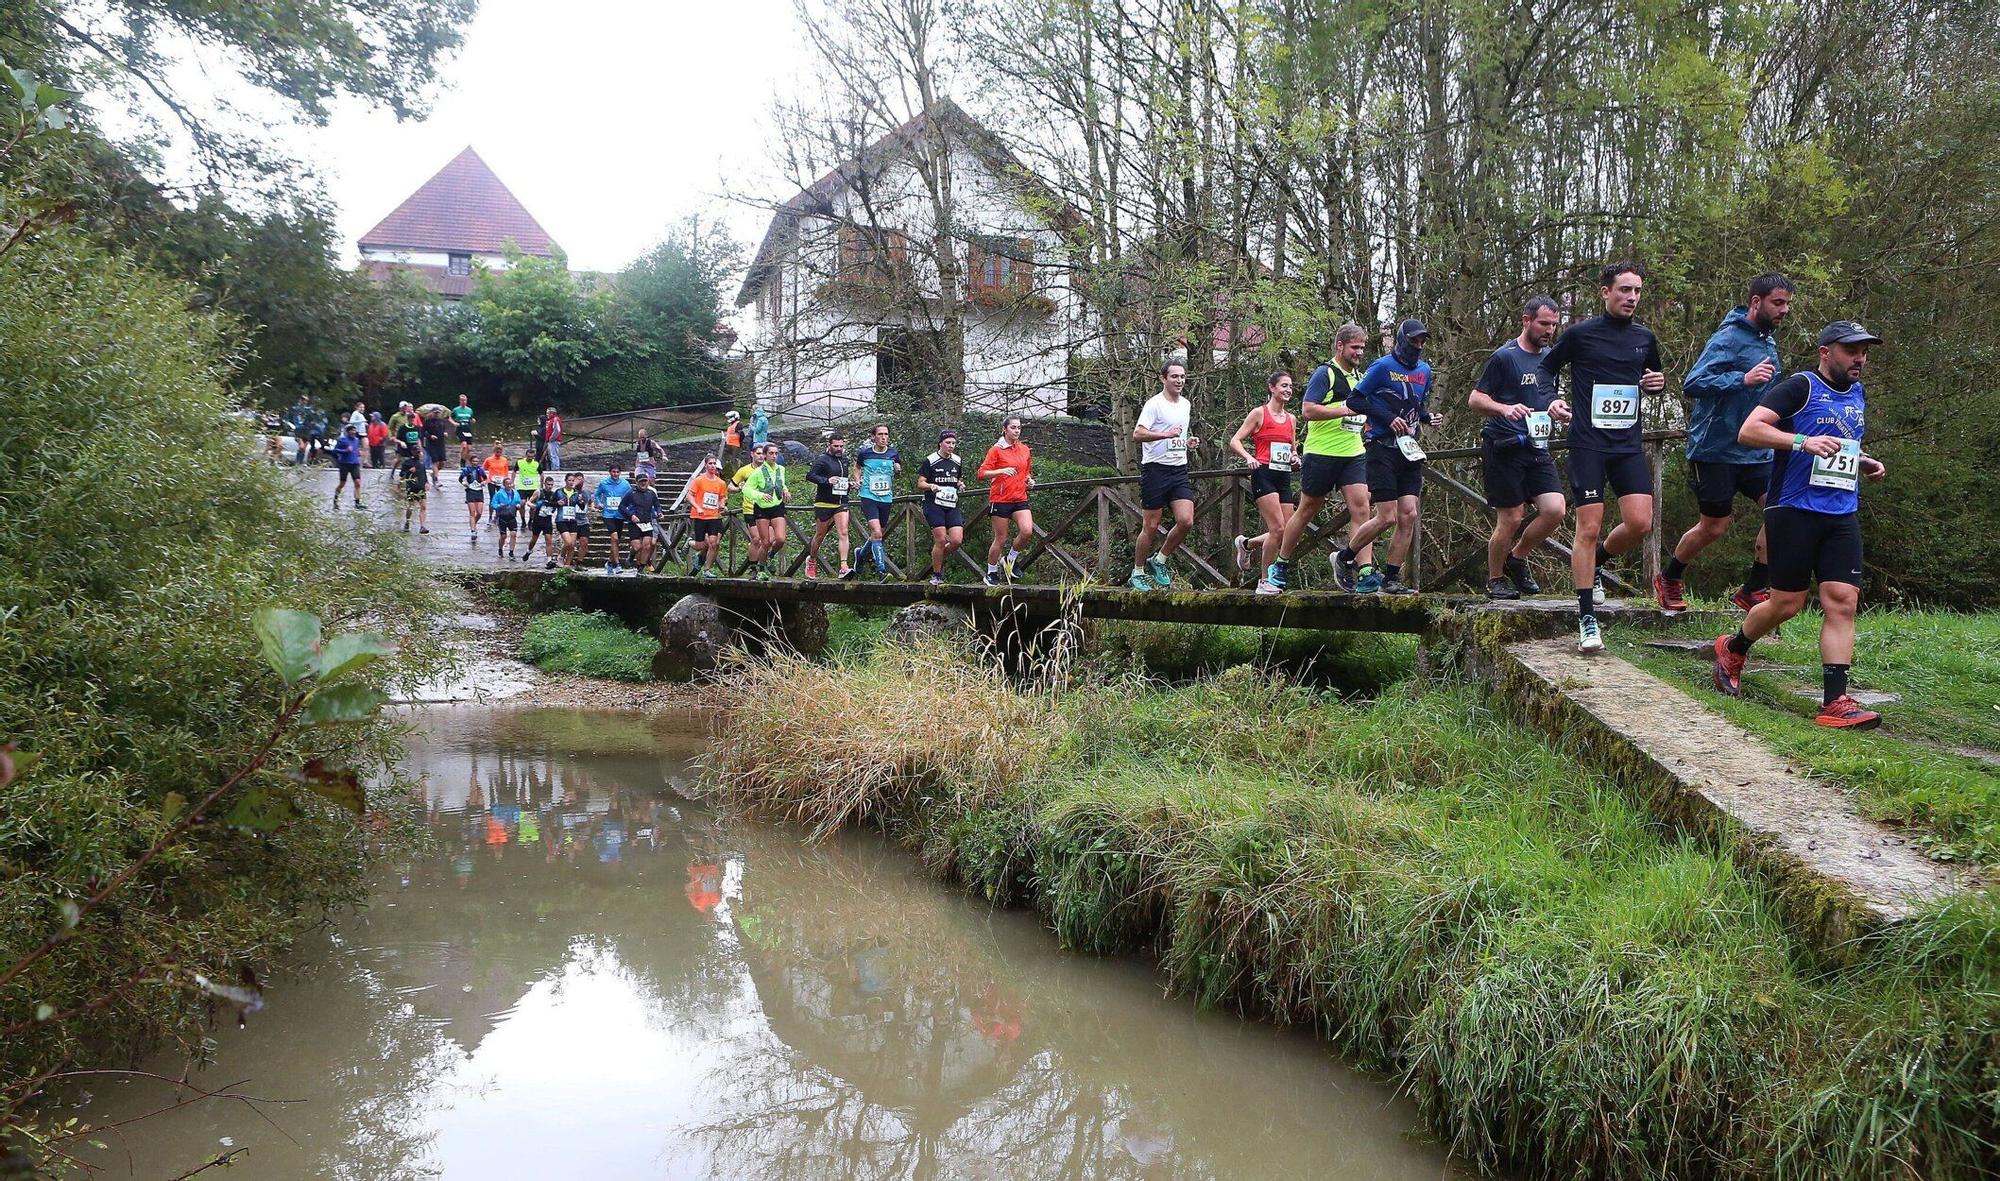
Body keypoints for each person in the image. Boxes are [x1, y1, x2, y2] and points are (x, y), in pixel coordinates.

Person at [1711, 321, 1886, 730]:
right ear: (1826, 351)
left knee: (1843, 599)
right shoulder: (1799, 387)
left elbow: (1839, 446)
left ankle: (1834, 701)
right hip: (1793, 509)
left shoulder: (1857, 394)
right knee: (1786, 604)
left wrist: (1862, 462)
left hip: (1841, 512)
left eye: (1864, 351)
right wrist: (1799, 442)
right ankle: (1734, 647)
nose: (1859, 357)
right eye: (1850, 349)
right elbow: (1749, 430)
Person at [1538, 261, 1665, 653]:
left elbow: (1653, 379)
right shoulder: (1580, 334)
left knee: (1640, 523)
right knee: (1588, 528)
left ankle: (1597, 566)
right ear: (1605, 292)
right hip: (1587, 443)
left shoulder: (1645, 337)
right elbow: (1546, 371)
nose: (1631, 298)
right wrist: (1553, 400)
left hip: (1627, 443)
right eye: (1625, 290)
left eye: (1637, 291)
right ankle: (1587, 618)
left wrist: (1656, 385)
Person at [1659, 273, 1794, 613]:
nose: (1785, 310)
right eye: (1778, 303)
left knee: (1783, 512)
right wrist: (1742, 379)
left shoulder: (1767, 341)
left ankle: (1753, 588)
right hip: (1715, 449)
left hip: (1757, 449)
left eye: (1788, 304)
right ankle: (1670, 576)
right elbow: (1694, 382)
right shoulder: (1729, 338)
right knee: (1715, 526)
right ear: (1756, 302)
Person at [1261, 324, 1375, 595]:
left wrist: (1370, 424)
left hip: (1353, 452)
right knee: (1308, 509)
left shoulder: (1360, 377)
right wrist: (1344, 410)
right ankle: (1281, 565)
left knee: (1362, 508)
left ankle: (1365, 569)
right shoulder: (1325, 374)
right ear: (1340, 346)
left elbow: (1364, 411)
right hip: (1322, 452)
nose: (1359, 352)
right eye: (1354, 347)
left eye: (1362, 347)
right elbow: (1308, 410)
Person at [1470, 297, 1568, 599]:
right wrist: (1503, 408)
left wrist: (1558, 409)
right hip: (1504, 446)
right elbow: (1475, 400)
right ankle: (1495, 579)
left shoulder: (1551, 358)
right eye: (1543, 323)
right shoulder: (1504, 357)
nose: (1549, 330)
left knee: (1555, 510)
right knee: (1511, 517)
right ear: (1526, 320)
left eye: (1554, 324)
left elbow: (1547, 396)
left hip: (1537, 446)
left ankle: (1518, 557)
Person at [1342, 319, 1440, 595]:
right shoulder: (1382, 367)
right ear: (1401, 340)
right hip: (1381, 447)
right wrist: (1387, 418)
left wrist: (1426, 417)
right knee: (1387, 517)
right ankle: (1345, 556)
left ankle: (1392, 578)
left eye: (1422, 342)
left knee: (1409, 514)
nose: (1418, 346)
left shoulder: (1424, 370)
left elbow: (1415, 404)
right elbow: (1354, 400)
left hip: (1409, 450)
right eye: (1413, 341)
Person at [1129, 361, 1199, 590]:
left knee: (1186, 521)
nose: (1179, 381)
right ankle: (1137, 571)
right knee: (1150, 525)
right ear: (1163, 379)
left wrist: (1187, 442)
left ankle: (1159, 560)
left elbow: (1178, 434)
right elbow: (1137, 434)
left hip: (1178, 469)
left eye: (1182, 377)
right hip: (1155, 470)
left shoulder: (1186, 404)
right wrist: (1164, 434)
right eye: (1174, 377)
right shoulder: (1154, 404)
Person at [1229, 371, 1298, 584]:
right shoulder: (1259, 413)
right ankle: (1265, 581)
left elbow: (1292, 447)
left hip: (1283, 474)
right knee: (1277, 529)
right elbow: (1235, 440)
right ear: (1272, 388)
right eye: (1283, 386)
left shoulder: (1291, 419)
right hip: (1263, 472)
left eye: (1290, 386)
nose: (1288, 390)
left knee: (1288, 532)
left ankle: (1247, 544)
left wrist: (1295, 457)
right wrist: (1249, 457)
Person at [979, 416, 1034, 585]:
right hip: (1000, 499)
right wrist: (1001, 471)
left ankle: (1010, 559)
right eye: (1013, 427)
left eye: (1019, 427)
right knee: (1001, 538)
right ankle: (991, 572)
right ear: (1005, 429)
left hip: (1019, 497)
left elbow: (1026, 471)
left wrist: (1029, 480)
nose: (1017, 430)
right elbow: (981, 473)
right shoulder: (996, 450)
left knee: (1027, 531)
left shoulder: (1024, 449)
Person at [853, 422, 902, 578]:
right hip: (868, 495)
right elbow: (857, 467)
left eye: (886, 434)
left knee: (880, 533)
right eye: (880, 434)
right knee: (876, 531)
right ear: (873, 437)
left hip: (886, 497)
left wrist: (898, 470)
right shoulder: (865, 453)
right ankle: (881, 571)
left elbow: (897, 472)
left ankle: (860, 556)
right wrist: (858, 480)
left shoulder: (893, 453)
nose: (883, 437)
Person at [918, 429, 965, 585]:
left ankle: (936, 558)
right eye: (948, 443)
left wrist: (960, 484)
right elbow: (920, 483)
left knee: (957, 540)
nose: (951, 446)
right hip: (934, 504)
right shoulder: (930, 460)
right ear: (940, 443)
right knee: (940, 539)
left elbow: (956, 479)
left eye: (953, 443)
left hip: (951, 503)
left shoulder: (957, 460)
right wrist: (931, 486)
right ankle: (937, 574)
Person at [805, 432, 853, 580]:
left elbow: (843, 479)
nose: (839, 449)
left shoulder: (845, 460)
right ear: (829, 445)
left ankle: (844, 567)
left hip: (841, 501)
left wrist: (850, 484)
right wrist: (827, 480)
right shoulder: (822, 460)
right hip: (824, 502)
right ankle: (811, 560)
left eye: (841, 446)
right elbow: (810, 476)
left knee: (843, 532)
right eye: (836, 446)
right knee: (820, 534)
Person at [741, 442, 788, 579]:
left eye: (776, 453)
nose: (774, 456)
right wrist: (760, 495)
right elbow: (746, 489)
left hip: (777, 505)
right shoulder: (758, 472)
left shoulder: (781, 469)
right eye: (771, 453)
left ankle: (770, 556)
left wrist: (785, 490)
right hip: (762, 508)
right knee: (765, 542)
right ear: (766, 455)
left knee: (780, 539)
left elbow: (781, 482)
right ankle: (761, 569)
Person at [686, 456, 731, 577]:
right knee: (701, 545)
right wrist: (697, 507)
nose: (712, 466)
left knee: (714, 543)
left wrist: (722, 505)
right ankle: (690, 542)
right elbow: (689, 496)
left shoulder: (721, 483)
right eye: (710, 463)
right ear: (705, 465)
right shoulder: (699, 480)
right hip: (700, 516)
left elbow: (722, 497)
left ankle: (707, 570)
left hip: (714, 516)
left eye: (714, 464)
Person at [593, 462, 633, 575]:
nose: (615, 474)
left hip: (620, 515)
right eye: (613, 472)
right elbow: (596, 495)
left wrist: (628, 508)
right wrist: (598, 503)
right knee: (614, 538)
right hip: (608, 514)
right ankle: (617, 564)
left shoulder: (625, 484)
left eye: (617, 472)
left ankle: (610, 562)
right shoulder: (604, 483)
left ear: (620, 473)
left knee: (615, 541)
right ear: (610, 472)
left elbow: (631, 496)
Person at [624, 472, 662, 573]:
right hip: (635, 523)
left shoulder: (651, 493)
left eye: (645, 481)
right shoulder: (631, 493)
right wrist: (631, 516)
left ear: (648, 481)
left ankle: (641, 568)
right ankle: (631, 556)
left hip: (647, 522)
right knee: (637, 547)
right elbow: (621, 507)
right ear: (636, 482)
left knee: (647, 545)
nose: (643, 483)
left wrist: (659, 512)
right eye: (641, 481)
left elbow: (657, 505)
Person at [524, 474, 560, 567]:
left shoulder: (553, 494)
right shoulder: (539, 492)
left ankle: (549, 560)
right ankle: (529, 551)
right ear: (544, 484)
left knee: (548, 540)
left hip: (547, 519)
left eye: (551, 485)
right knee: (534, 539)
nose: (550, 486)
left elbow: (556, 504)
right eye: (548, 484)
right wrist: (531, 505)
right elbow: (529, 501)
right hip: (538, 519)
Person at [556, 472, 590, 568]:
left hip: (582, 520)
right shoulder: (563, 491)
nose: (578, 481)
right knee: (570, 543)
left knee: (584, 541)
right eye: (575, 480)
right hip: (568, 520)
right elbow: (554, 503)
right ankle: (562, 557)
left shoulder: (585, 492)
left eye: (580, 479)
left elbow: (585, 505)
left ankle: (577, 563)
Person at [331, 423, 367, 511]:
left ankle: (357, 503)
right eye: (352, 430)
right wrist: (345, 451)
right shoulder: (342, 440)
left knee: (357, 482)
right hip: (344, 464)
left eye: (355, 430)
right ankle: (335, 500)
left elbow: (356, 449)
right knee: (342, 484)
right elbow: (335, 450)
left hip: (355, 463)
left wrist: (358, 453)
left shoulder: (356, 440)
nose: (354, 432)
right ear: (348, 432)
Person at [457, 443, 487, 545]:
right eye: (473, 461)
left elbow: (485, 478)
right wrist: (464, 483)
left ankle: (473, 524)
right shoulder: (467, 470)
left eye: (477, 461)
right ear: (470, 462)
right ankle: (473, 530)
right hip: (470, 491)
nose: (475, 463)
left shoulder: (480, 469)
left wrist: (483, 482)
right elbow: (460, 479)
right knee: (472, 512)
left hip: (479, 490)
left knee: (479, 512)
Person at [395, 448, 429, 533]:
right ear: (412, 452)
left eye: (419, 452)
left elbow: (423, 474)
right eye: (416, 452)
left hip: (421, 488)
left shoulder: (421, 463)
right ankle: (407, 521)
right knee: (410, 507)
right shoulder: (407, 462)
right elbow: (402, 474)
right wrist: (408, 471)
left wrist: (427, 483)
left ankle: (422, 526)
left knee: (423, 507)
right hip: (412, 487)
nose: (418, 454)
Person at [490, 475, 522, 560]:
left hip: (512, 516)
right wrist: (500, 505)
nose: (510, 485)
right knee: (503, 536)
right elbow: (493, 504)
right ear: (504, 485)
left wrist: (518, 505)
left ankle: (511, 552)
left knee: (513, 534)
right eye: (508, 484)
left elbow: (518, 501)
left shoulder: (515, 493)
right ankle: (500, 549)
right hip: (502, 517)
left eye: (511, 483)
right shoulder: (499, 493)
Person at [422, 410, 450, 489]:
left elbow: (443, 429)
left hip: (441, 443)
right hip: (431, 444)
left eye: (438, 413)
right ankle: (436, 480)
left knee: (442, 462)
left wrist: (445, 433)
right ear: (431, 413)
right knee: (435, 461)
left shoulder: (441, 421)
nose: (436, 414)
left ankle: (433, 474)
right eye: (435, 413)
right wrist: (430, 436)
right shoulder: (427, 421)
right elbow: (423, 432)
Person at [541, 407, 564, 472]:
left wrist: (551, 438)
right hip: (551, 440)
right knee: (552, 455)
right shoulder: (551, 420)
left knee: (554, 455)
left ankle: (555, 468)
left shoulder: (555, 419)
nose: (547, 414)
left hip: (554, 440)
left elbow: (557, 430)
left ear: (552, 413)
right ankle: (554, 468)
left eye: (548, 413)